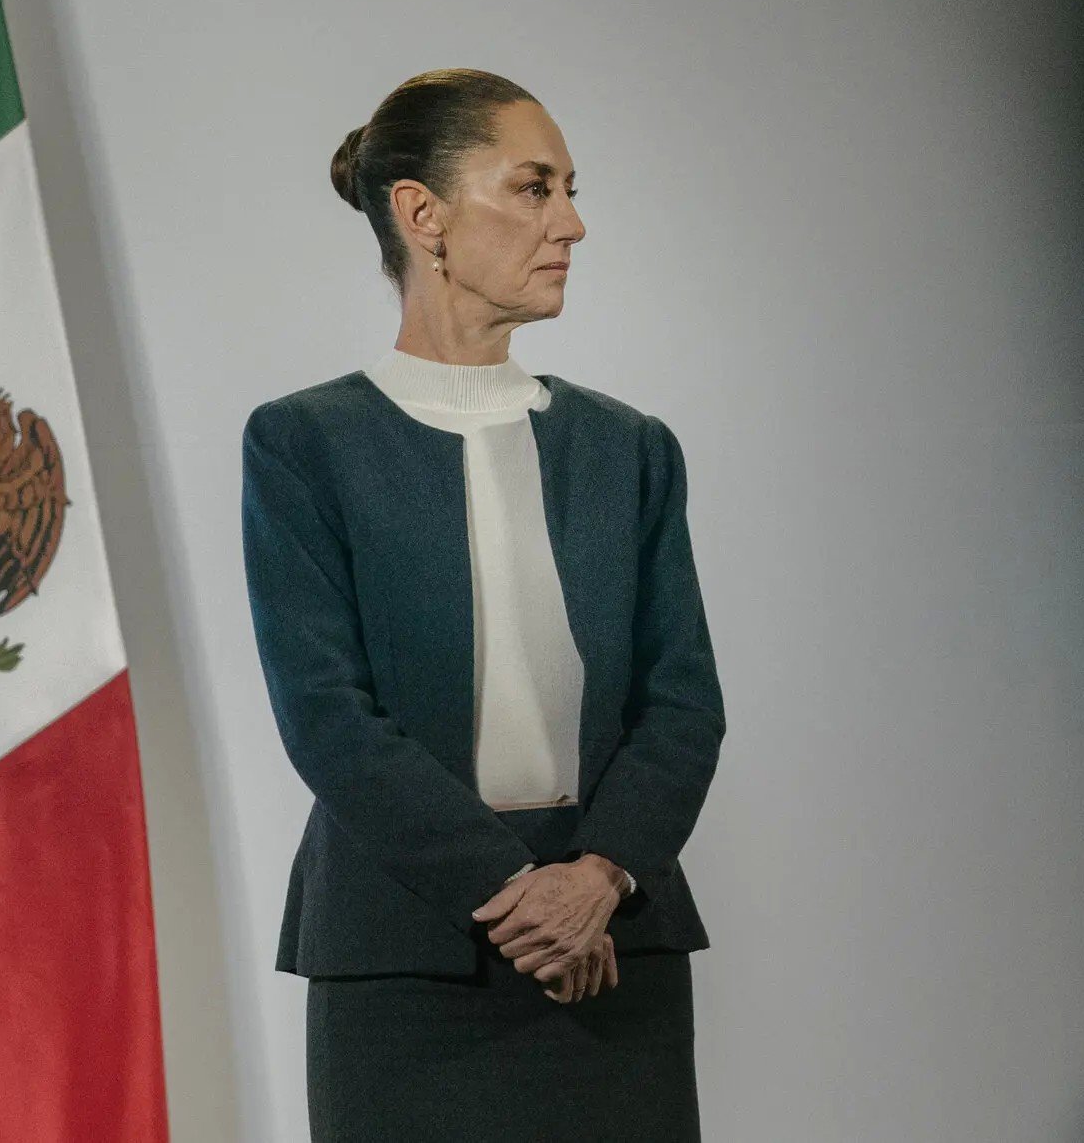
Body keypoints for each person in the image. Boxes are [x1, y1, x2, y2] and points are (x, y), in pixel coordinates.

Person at [240, 67, 726, 1141]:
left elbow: (683, 703)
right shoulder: (304, 442)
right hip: (408, 957)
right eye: (534, 187)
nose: (572, 223)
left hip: (613, 945)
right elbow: (326, 714)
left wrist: (596, 878)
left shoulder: (631, 448)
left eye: (569, 191)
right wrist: (522, 895)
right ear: (423, 214)